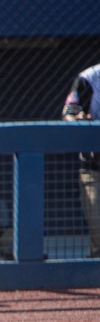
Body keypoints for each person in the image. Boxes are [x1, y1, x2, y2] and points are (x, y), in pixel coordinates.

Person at [61, 64, 100, 259]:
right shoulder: (90, 78)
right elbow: (69, 113)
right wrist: (77, 120)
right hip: (94, 169)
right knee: (98, 229)